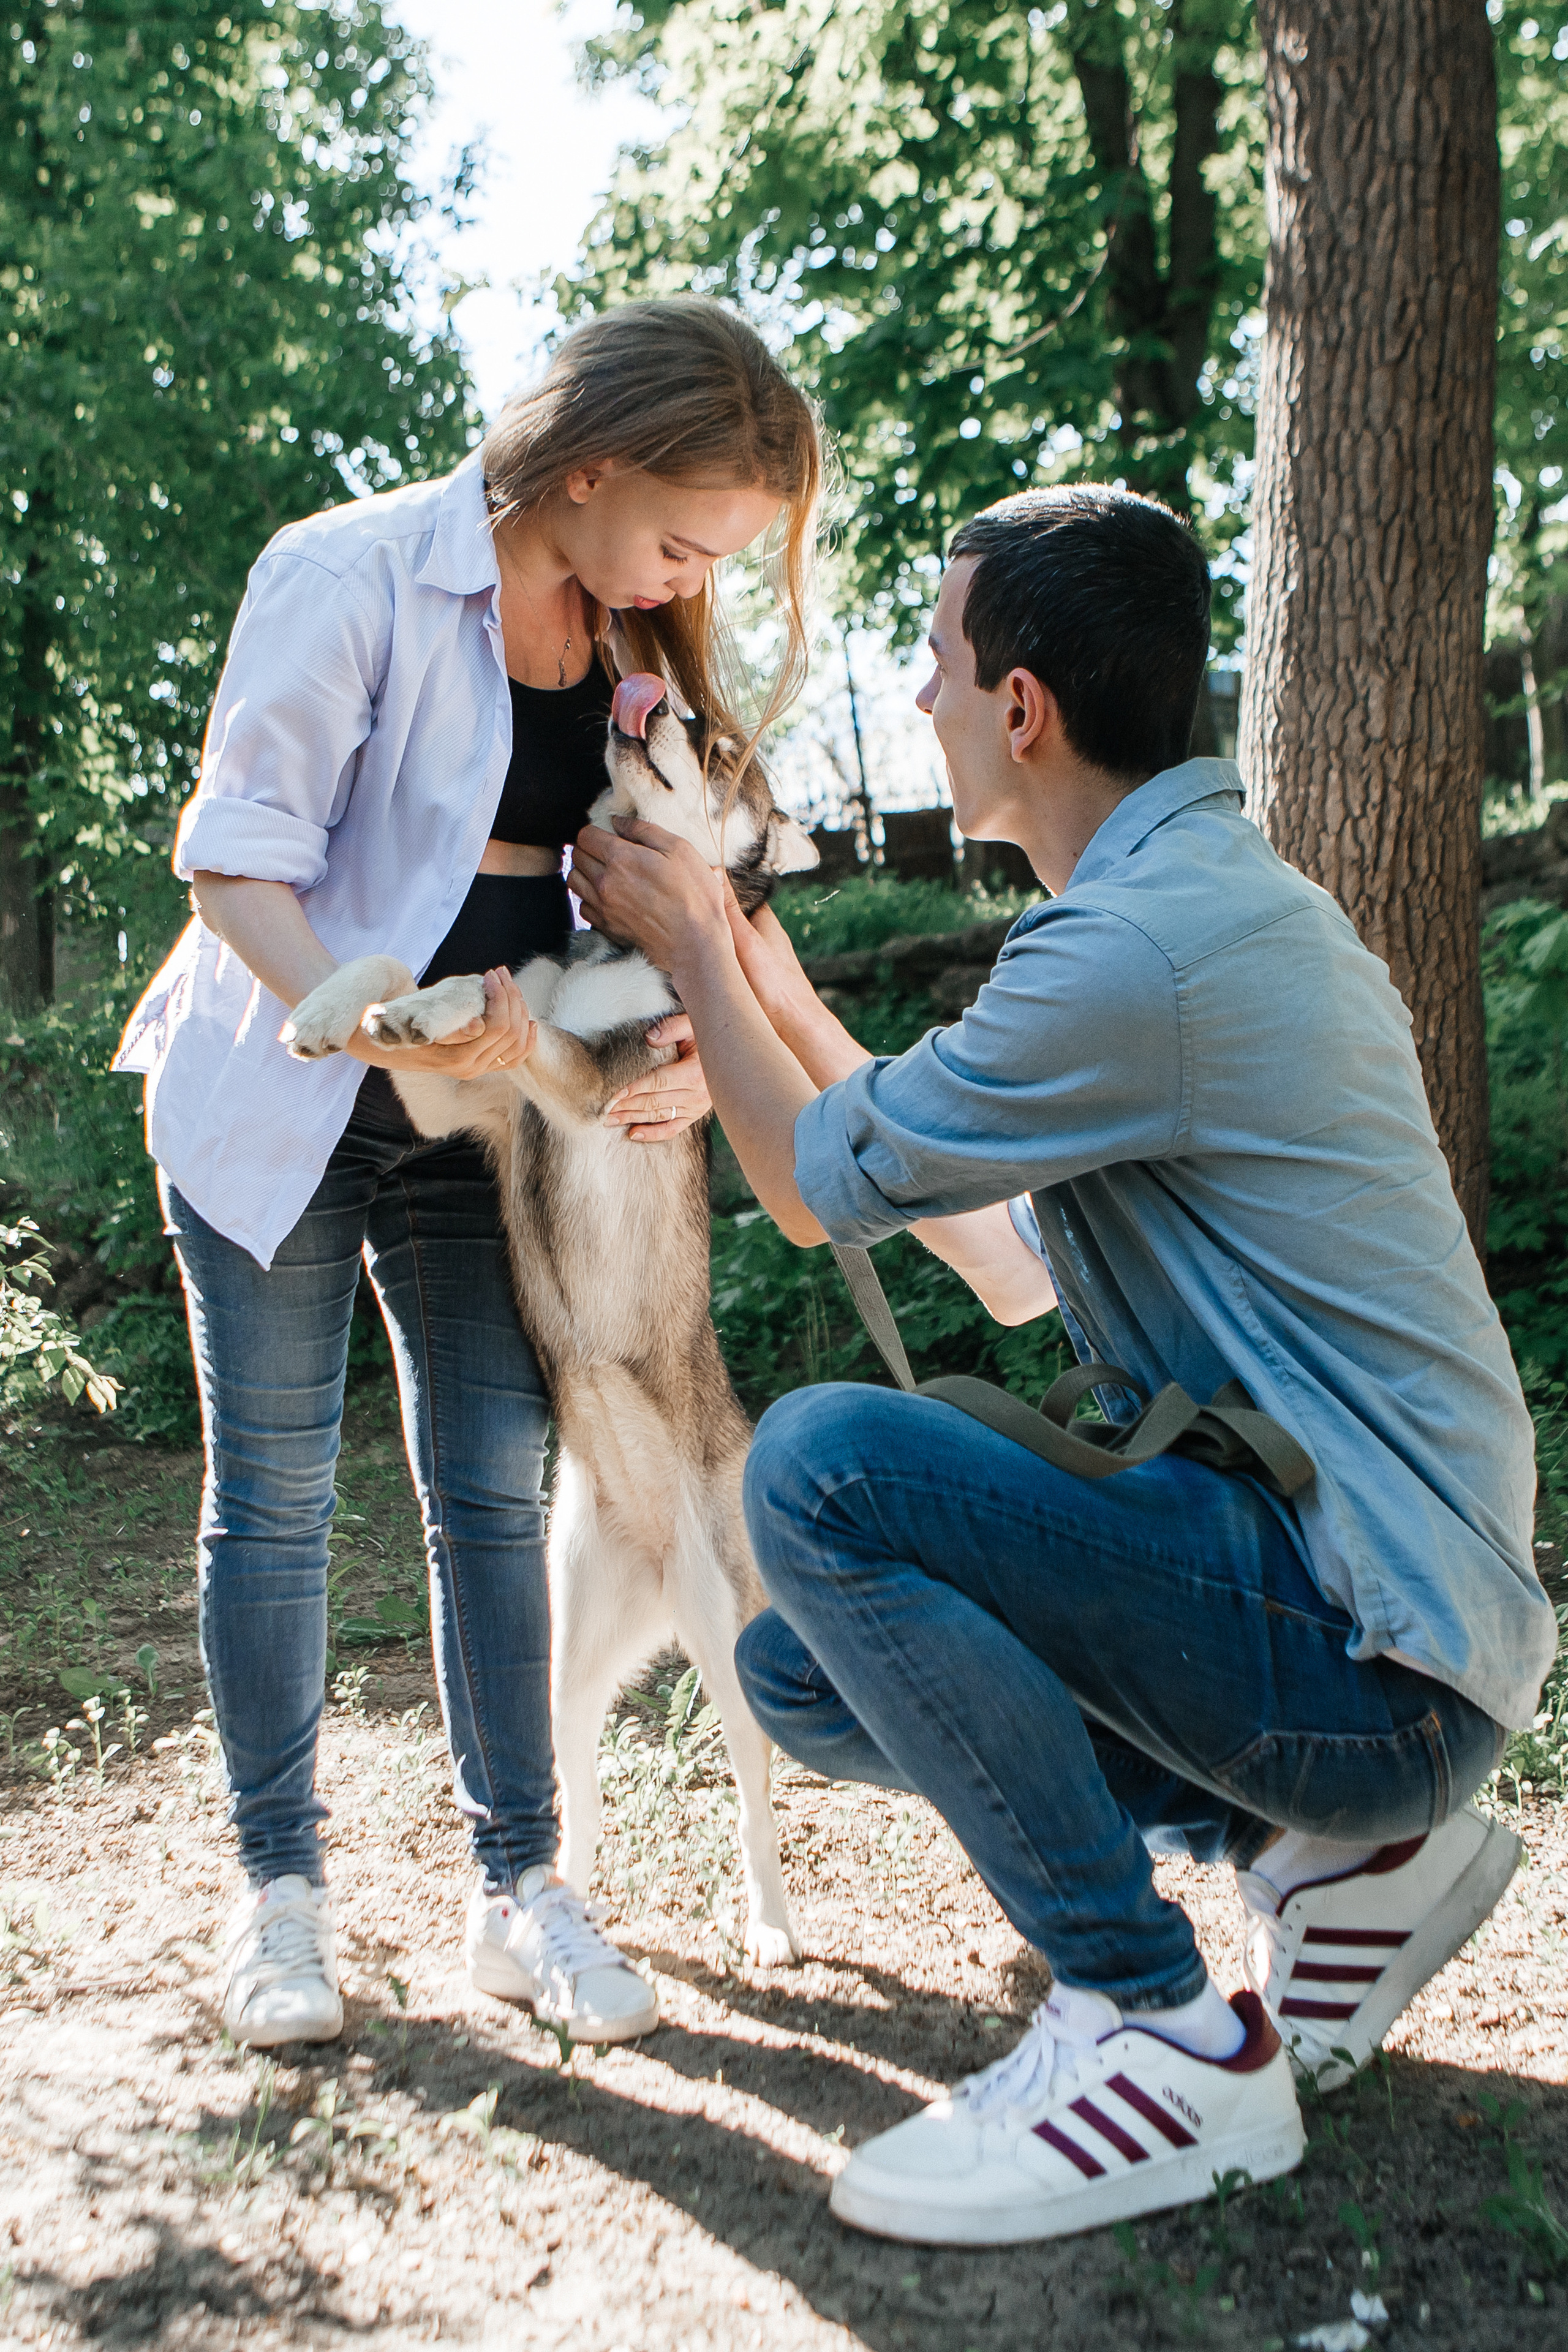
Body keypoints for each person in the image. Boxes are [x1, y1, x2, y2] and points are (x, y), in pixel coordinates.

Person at [567, 483, 1555, 2245]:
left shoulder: (1134, 955)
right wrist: (767, 997)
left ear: (1022, 704)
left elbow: (810, 1191)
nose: (927, 693)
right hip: (1387, 1631)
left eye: (942, 661)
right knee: (806, 1674)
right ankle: (1327, 1857)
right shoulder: (1189, 914)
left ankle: (1155, 2028)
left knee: (822, 1470)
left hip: (1376, 1649)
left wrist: (701, 949)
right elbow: (1012, 1269)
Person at [115, 298, 822, 2051]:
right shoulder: (345, 576)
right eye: (672, 535)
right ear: (583, 465)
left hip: (485, 1118)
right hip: (283, 1092)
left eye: (708, 559)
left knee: (491, 1488)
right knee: (275, 1498)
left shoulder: (627, 648)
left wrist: (650, 1067)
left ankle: (522, 1890)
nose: (677, 582)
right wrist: (362, 1016)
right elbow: (235, 868)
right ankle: (280, 1900)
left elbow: (652, 920)